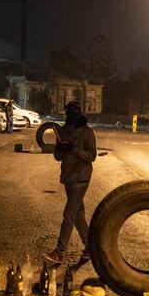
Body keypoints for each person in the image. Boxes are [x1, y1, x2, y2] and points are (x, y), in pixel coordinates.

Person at [44, 101, 97, 265]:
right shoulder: (64, 130)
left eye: (71, 113)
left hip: (81, 179)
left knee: (68, 214)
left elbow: (92, 155)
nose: (68, 116)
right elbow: (57, 156)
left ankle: (59, 252)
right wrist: (61, 149)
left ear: (78, 114)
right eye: (67, 113)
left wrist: (73, 150)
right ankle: (90, 247)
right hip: (68, 178)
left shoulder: (88, 132)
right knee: (77, 215)